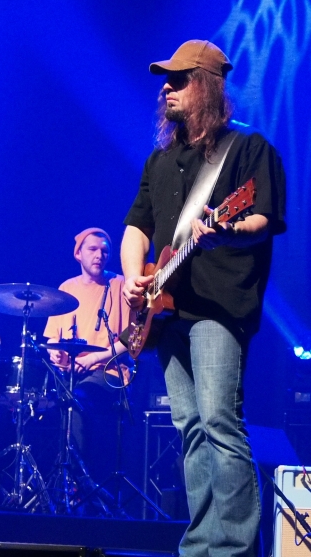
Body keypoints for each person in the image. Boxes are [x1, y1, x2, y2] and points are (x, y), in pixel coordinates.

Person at [121, 40, 286, 557]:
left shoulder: (249, 148)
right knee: (190, 428)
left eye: (178, 79)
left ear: (207, 86)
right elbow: (136, 227)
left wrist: (226, 230)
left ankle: (234, 547)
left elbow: (262, 219)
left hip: (218, 305)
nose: (166, 89)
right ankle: (200, 546)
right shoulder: (160, 159)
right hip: (166, 310)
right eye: (164, 81)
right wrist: (132, 277)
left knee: (219, 421)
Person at [43, 227, 132, 486]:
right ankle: (57, 484)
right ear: (78, 254)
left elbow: (132, 339)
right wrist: (55, 354)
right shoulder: (66, 288)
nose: (99, 255)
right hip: (71, 374)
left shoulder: (120, 285)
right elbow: (52, 340)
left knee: (76, 401)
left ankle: (77, 485)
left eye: (104, 251)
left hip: (109, 373)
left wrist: (93, 359)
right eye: (93, 249)